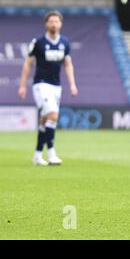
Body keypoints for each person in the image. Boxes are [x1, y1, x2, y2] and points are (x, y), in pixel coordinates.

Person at [18, 10, 78, 166]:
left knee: (45, 121)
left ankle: (37, 155)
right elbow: (28, 64)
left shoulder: (65, 43)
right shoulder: (38, 43)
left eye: (56, 21)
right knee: (53, 115)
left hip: (56, 86)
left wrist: (72, 84)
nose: (53, 24)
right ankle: (51, 154)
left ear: (61, 24)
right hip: (41, 84)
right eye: (51, 21)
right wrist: (23, 85)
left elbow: (68, 64)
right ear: (46, 24)